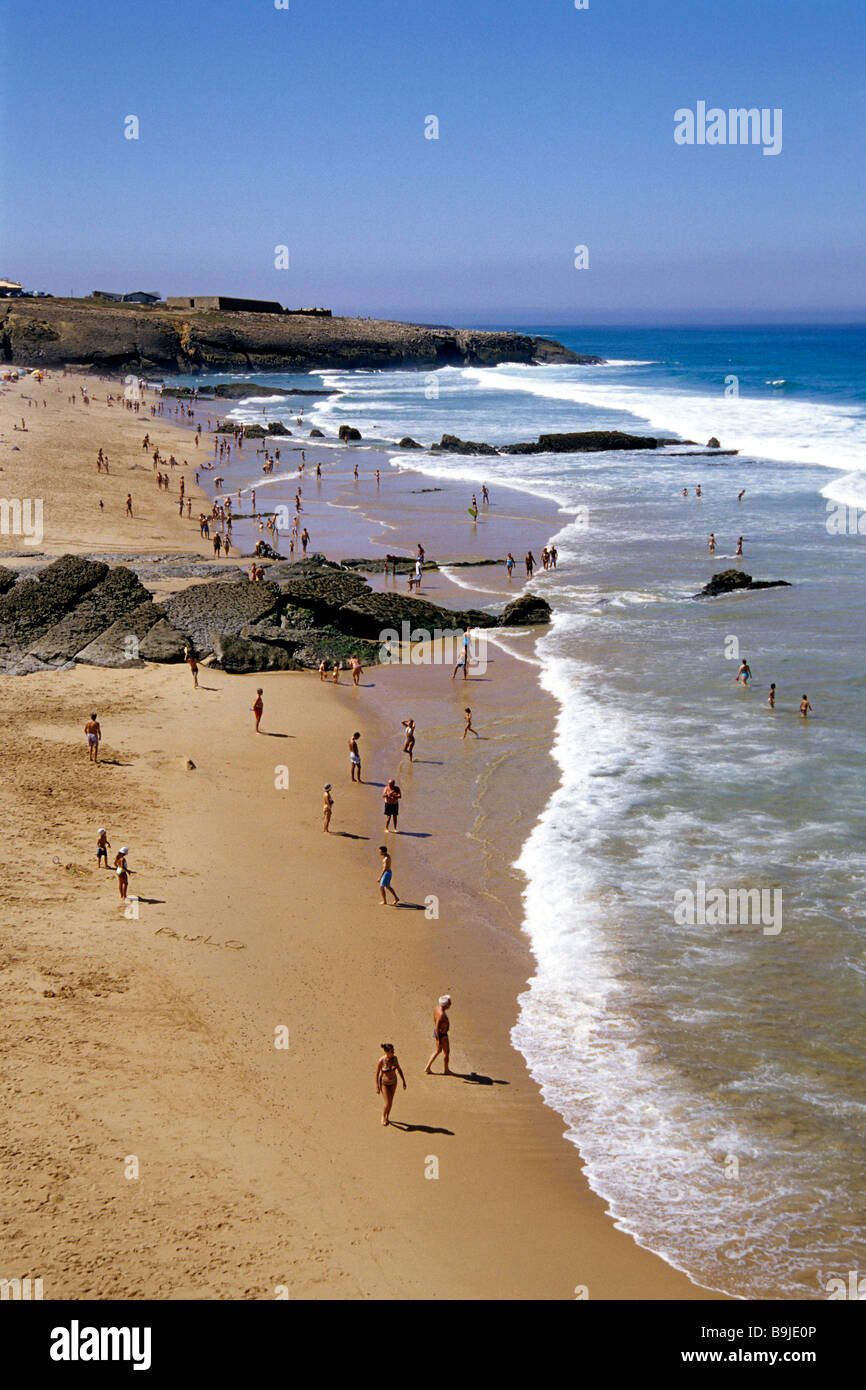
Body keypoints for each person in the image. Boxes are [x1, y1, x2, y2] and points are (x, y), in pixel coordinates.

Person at [376, 1043, 406, 1125]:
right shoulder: (381, 1060)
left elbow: (399, 1069)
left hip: (393, 1082)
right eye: (392, 1051)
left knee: (391, 1102)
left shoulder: (395, 1059)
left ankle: (387, 1117)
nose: (393, 1052)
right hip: (384, 1083)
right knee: (387, 1103)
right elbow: (377, 1074)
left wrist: (403, 1081)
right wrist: (377, 1087)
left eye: (393, 1050)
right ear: (387, 1052)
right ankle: (383, 1116)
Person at [425, 996, 452, 1075]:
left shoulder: (437, 1008)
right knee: (446, 1052)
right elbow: (437, 1027)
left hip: (440, 1034)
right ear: (445, 1005)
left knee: (438, 1051)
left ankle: (427, 1067)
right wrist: (438, 1040)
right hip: (442, 1035)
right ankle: (446, 1070)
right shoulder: (441, 1014)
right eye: (449, 1003)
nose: (450, 1004)